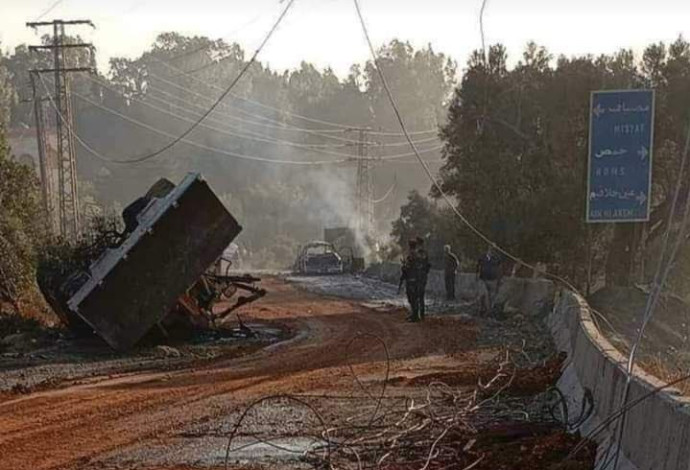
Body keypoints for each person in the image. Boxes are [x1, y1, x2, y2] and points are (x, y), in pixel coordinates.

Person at [399, 239, 426, 322]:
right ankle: (414, 314)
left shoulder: (412, 255)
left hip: (412, 279)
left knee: (412, 298)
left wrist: (403, 266)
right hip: (417, 279)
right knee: (415, 298)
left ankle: (415, 316)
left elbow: (408, 267)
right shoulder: (417, 255)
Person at [476, 245, 503, 314]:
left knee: (491, 296)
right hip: (483, 279)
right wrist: (477, 276)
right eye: (491, 250)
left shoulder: (497, 258)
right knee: (483, 294)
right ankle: (481, 309)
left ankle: (488, 311)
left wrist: (499, 280)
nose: (492, 251)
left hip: (493, 279)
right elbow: (478, 267)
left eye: (494, 250)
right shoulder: (482, 257)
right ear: (488, 250)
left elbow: (500, 269)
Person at [415, 237, 431, 320]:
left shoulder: (421, 253)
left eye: (418, 244)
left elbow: (426, 265)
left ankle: (420, 314)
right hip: (419, 277)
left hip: (421, 277)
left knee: (419, 296)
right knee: (417, 296)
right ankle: (418, 314)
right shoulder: (421, 253)